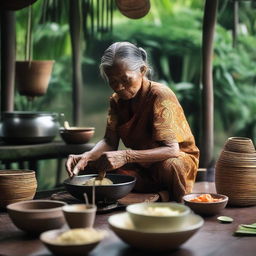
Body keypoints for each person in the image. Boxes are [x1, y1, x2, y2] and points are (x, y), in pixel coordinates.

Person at [65, 42, 199, 202]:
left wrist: (126, 156)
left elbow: (172, 150)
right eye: (112, 81)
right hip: (142, 163)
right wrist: (87, 156)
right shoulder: (116, 100)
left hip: (173, 161)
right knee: (91, 165)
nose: (119, 87)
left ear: (142, 71)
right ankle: (156, 195)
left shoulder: (159, 94)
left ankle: (170, 197)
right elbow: (110, 141)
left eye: (125, 79)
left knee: (170, 165)